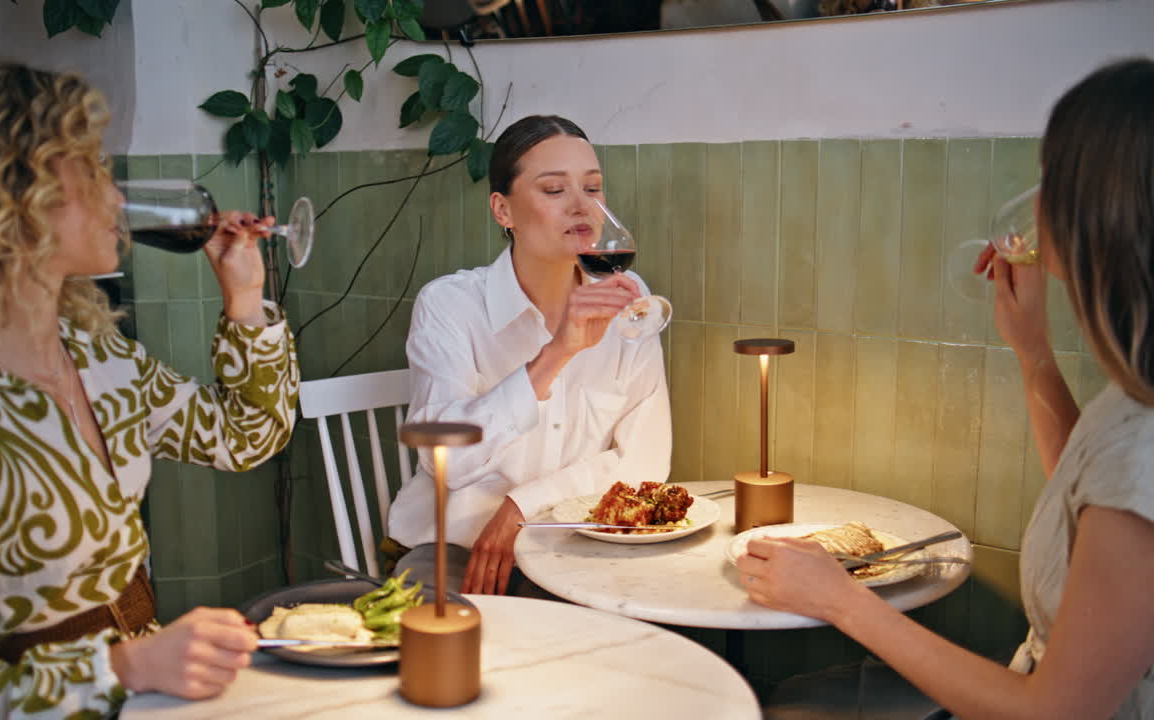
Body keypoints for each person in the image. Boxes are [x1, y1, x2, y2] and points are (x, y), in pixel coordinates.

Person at [0, 62, 300, 717]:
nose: (118, 198)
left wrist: (244, 298)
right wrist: (124, 666)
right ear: (9, 195)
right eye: (93, 170)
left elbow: (248, 436)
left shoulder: (102, 359)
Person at [737, 57, 1154, 719]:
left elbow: (1055, 712)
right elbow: (1084, 488)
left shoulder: (1144, 447)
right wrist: (1033, 351)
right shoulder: (1136, 391)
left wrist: (840, 600)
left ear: (1098, 210)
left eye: (1049, 179)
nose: (1036, 204)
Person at [385, 115, 672, 595]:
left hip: (576, 547)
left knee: (635, 637)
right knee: (456, 646)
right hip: (457, 551)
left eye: (594, 188)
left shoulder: (629, 298)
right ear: (503, 210)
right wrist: (555, 355)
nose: (583, 207)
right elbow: (445, 465)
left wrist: (522, 508)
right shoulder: (450, 305)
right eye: (555, 190)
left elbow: (645, 461)